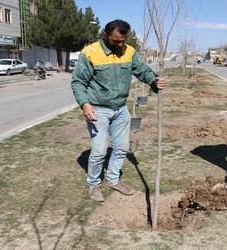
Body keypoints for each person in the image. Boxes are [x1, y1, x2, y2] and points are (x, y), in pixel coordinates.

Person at [71, 19, 166, 202]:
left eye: (123, 40)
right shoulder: (90, 53)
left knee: (121, 148)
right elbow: (78, 82)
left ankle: (112, 180)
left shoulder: (129, 52)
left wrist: (154, 80)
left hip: (121, 109)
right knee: (99, 151)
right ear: (105, 35)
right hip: (98, 110)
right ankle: (93, 184)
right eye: (116, 41)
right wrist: (85, 104)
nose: (121, 44)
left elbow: (142, 71)